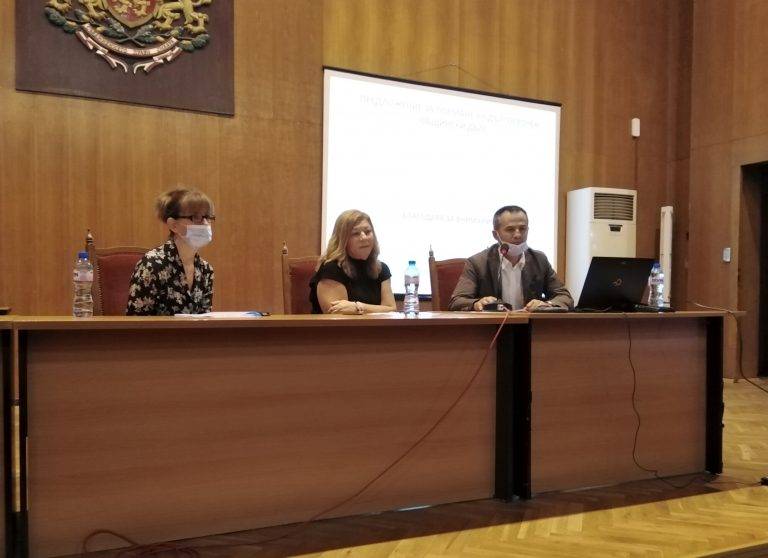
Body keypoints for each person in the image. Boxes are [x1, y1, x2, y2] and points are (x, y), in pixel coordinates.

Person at [449, 205, 573, 311]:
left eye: (522, 229)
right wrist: (477, 303)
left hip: (530, 327)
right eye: (510, 229)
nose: (518, 235)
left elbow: (564, 297)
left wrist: (547, 304)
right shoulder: (478, 262)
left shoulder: (539, 260)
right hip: (492, 327)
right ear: (495, 235)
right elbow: (457, 301)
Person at [127, 188, 215, 316]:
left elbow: (205, 320)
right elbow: (135, 322)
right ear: (173, 225)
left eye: (208, 217)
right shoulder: (152, 264)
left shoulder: (206, 270)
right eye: (196, 217)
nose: (206, 224)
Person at [310, 209, 396, 314]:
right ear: (343, 240)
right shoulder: (331, 269)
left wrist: (358, 307)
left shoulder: (381, 269)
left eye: (368, 232)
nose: (364, 237)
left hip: (375, 325)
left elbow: (391, 310)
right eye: (355, 233)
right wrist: (376, 309)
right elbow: (338, 314)